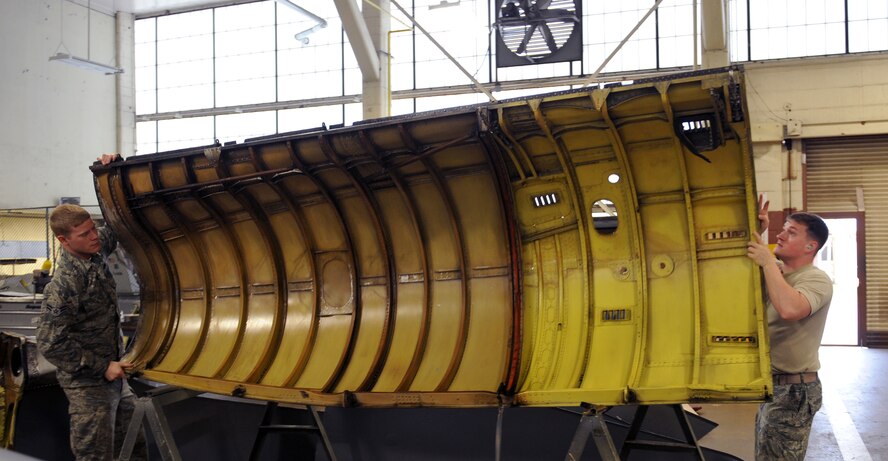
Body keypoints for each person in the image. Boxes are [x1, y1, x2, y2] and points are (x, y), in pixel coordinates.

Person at [36, 153, 148, 461]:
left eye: (92, 228)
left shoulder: (93, 251)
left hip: (115, 375)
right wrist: (102, 367)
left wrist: (112, 172)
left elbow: (117, 222)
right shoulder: (64, 285)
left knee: (135, 447)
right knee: (96, 455)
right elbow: (50, 342)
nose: (94, 236)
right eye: (84, 234)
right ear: (64, 240)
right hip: (89, 385)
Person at [747, 196, 833, 461]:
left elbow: (791, 309)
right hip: (771, 386)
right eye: (782, 228)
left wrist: (768, 263)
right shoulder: (778, 273)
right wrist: (756, 230)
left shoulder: (816, 279)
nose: (781, 235)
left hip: (794, 391)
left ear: (811, 246)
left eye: (791, 232)